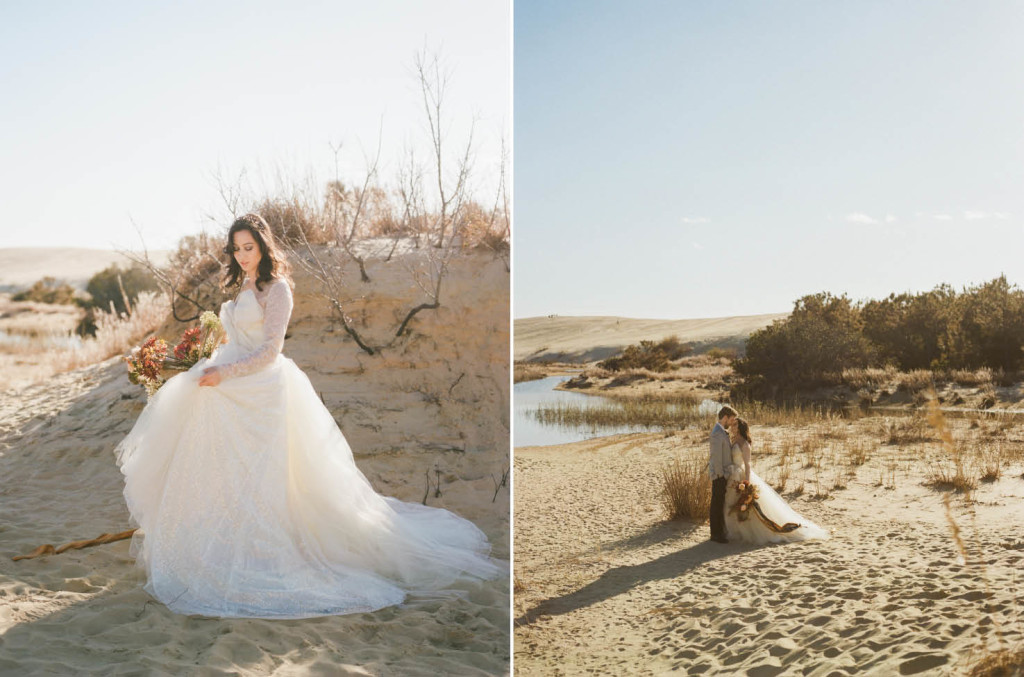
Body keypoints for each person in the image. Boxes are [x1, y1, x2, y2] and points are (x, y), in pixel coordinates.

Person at [114, 213, 502, 619]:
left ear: (263, 246)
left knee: (265, 478)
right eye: (237, 249)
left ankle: (266, 549)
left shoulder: (277, 289)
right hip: (228, 381)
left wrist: (223, 373)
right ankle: (220, 541)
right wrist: (202, 362)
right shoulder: (243, 284)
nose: (243, 256)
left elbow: (269, 352)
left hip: (261, 389)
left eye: (250, 247)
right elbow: (235, 338)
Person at [723, 417, 829, 545]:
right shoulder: (733, 440)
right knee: (731, 502)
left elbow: (748, 464)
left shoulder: (745, 444)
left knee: (744, 504)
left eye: (735, 425)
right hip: (732, 475)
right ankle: (733, 531)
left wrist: (746, 482)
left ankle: (745, 532)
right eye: (732, 424)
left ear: (740, 427)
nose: (732, 426)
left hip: (741, 475)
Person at [707, 405, 737, 543]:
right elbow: (716, 457)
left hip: (723, 474)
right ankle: (715, 534)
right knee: (716, 504)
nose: (732, 422)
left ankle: (719, 532)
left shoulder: (722, 431)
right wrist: (721, 475)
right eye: (731, 419)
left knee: (719, 503)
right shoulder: (717, 433)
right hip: (719, 475)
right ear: (725, 417)